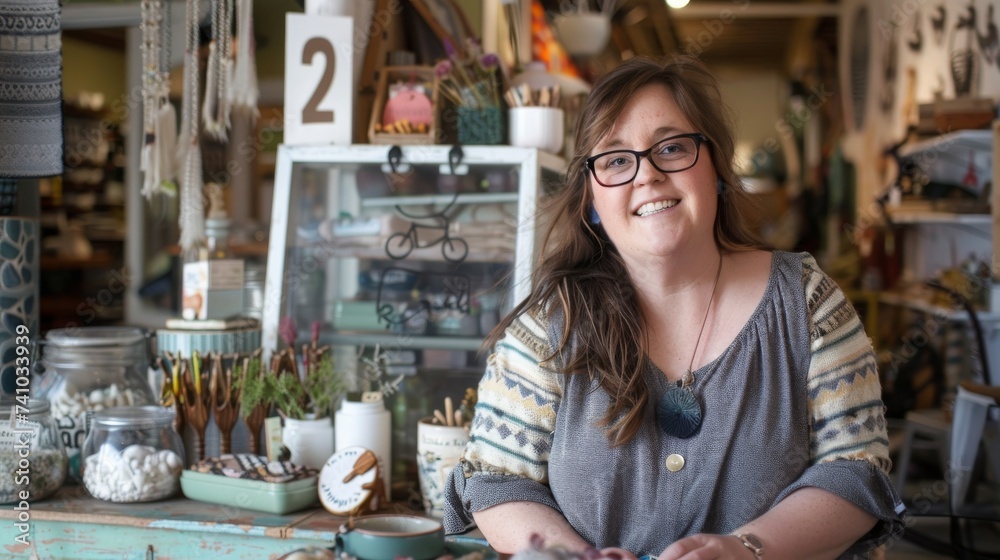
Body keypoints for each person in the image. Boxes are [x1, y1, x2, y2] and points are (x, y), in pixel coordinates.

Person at [443, 55, 906, 560]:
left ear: (717, 168)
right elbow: (495, 480)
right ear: (591, 199)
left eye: (671, 147)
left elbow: (856, 471)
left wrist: (747, 550)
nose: (647, 174)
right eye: (616, 160)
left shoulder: (807, 302)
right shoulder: (553, 323)